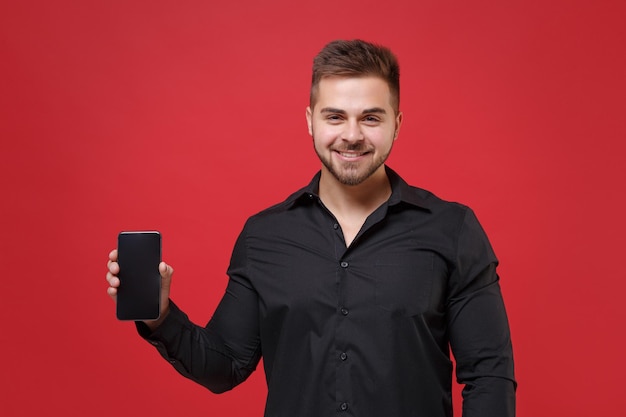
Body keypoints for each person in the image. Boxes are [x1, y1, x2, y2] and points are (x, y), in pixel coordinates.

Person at [106, 39, 516, 417]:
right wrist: (159, 316)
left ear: (397, 123)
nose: (352, 135)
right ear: (310, 121)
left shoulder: (452, 230)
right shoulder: (264, 236)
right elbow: (225, 364)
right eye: (335, 116)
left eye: (370, 117)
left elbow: (489, 377)